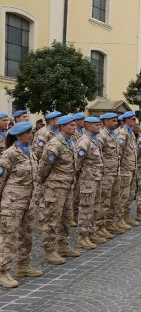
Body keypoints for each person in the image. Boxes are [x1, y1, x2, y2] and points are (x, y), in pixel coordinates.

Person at [0, 121, 42, 288]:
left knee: (26, 235)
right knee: (8, 238)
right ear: (18, 136)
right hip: (12, 203)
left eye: (31, 133)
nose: (31, 136)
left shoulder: (30, 152)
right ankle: (2, 271)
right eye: (28, 133)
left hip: (28, 203)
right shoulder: (9, 154)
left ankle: (23, 266)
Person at [38, 114, 80, 265]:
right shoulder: (54, 144)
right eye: (71, 125)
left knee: (66, 217)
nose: (74, 127)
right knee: (51, 219)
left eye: (74, 125)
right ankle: (49, 251)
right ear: (62, 127)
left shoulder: (70, 142)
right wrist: (45, 182)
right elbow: (44, 167)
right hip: (55, 187)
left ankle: (63, 245)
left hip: (68, 186)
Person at [74, 117, 105, 250]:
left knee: (95, 207)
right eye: (96, 125)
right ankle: (83, 236)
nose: (99, 127)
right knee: (86, 208)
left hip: (96, 178)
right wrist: (82, 176)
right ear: (88, 126)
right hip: (88, 180)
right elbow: (77, 163)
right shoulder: (84, 141)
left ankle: (91, 232)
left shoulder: (95, 140)